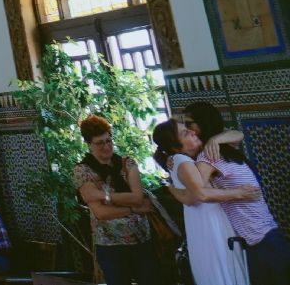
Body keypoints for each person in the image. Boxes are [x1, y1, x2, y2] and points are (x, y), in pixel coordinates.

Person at [182, 104, 290, 285]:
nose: (187, 129)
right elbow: (198, 193)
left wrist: (214, 140)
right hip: (262, 238)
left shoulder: (214, 153)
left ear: (204, 122)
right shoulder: (215, 154)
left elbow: (195, 194)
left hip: (264, 239)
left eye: (189, 124)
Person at [154, 117, 258, 285]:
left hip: (206, 220)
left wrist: (172, 188)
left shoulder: (184, 160)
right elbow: (200, 195)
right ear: (175, 146)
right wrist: (238, 193)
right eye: (185, 133)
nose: (193, 132)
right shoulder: (181, 160)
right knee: (222, 268)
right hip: (208, 222)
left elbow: (190, 196)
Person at [74, 115, 162, 285]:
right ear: (88, 144)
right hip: (109, 245)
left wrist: (102, 195)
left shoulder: (127, 163)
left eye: (109, 141)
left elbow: (137, 197)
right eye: (100, 143)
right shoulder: (82, 170)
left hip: (141, 239)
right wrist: (134, 209)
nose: (106, 147)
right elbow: (101, 213)